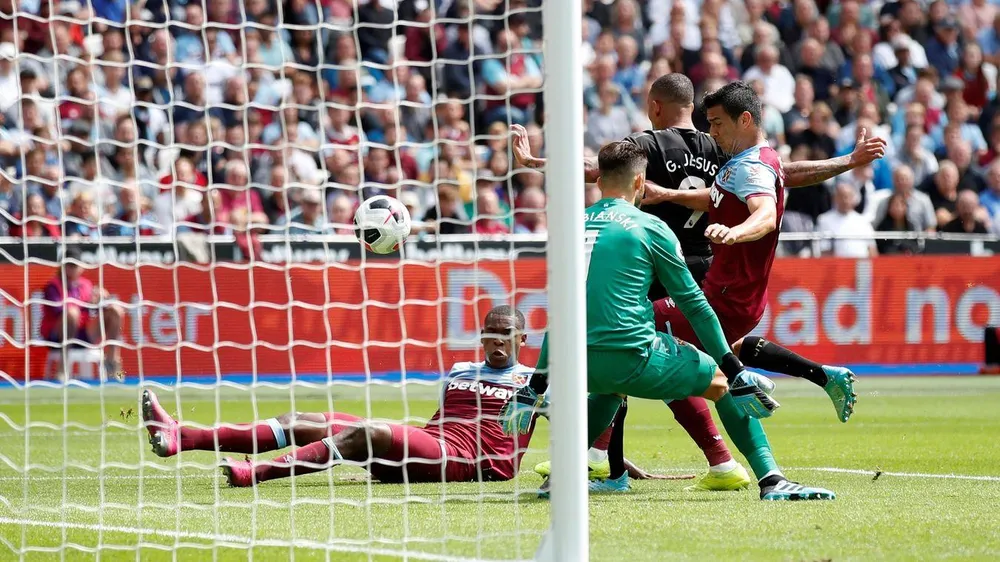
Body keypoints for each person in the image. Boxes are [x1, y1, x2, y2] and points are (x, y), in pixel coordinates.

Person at [512, 74, 880, 497]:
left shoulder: (645, 151)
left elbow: (602, 170)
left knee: (649, 350)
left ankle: (624, 464)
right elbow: (780, 176)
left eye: (718, 122)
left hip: (677, 277)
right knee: (704, 358)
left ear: (655, 107)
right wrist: (846, 162)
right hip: (704, 270)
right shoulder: (724, 152)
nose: (713, 129)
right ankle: (766, 448)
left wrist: (537, 163)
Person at [500, 141, 781, 498]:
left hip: (576, 365)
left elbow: (562, 310)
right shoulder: (649, 226)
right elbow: (694, 303)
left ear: (599, 182)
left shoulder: (569, 229)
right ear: (639, 183)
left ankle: (563, 476)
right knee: (721, 382)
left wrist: (537, 384)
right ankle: (771, 477)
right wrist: (733, 365)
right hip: (633, 356)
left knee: (608, 390)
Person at [141, 306, 538, 486]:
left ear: (522, 339)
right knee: (302, 420)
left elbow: (574, 421)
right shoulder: (461, 370)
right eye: (490, 333)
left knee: (365, 432)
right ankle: (182, 437)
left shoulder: (535, 381)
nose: (496, 341)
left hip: (469, 464)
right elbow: (444, 422)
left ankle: (257, 474)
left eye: (505, 334)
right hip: (432, 447)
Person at [40, 246, 124, 378]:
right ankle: (63, 367)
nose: (71, 269)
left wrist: (101, 300)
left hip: (83, 333)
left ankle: (112, 363)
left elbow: (93, 310)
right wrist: (86, 304)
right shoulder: (53, 286)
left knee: (115, 311)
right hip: (58, 335)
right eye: (69, 265)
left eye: (74, 265)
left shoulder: (86, 285)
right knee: (72, 314)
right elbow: (58, 311)